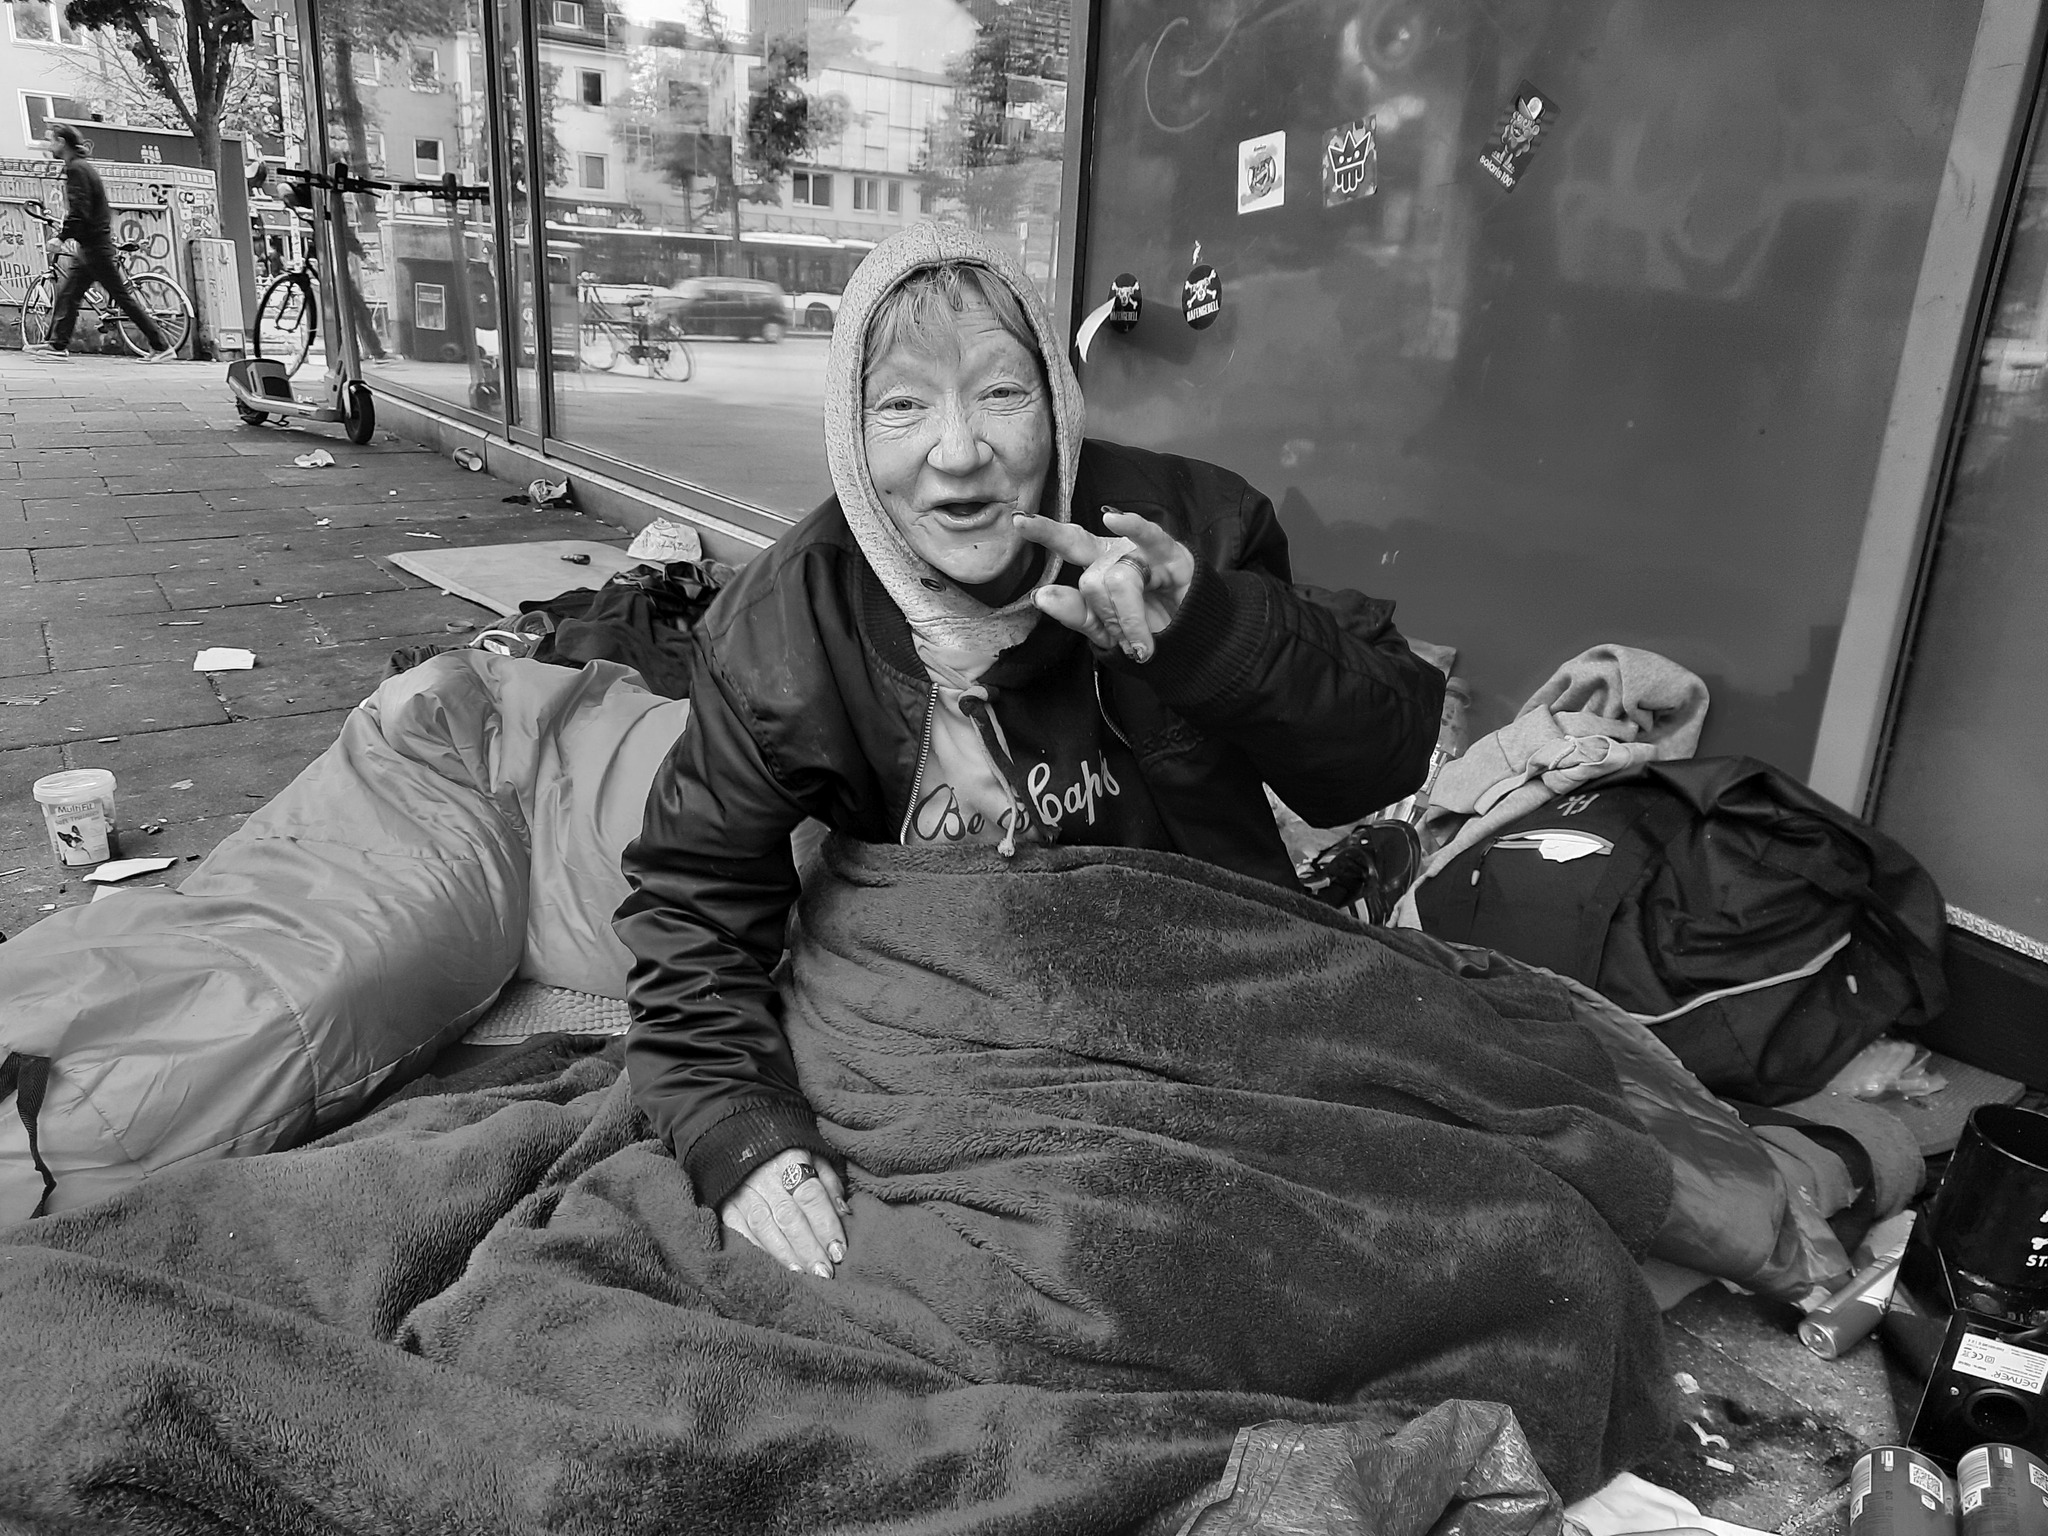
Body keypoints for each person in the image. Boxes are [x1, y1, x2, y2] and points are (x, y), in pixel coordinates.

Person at [614, 221, 1446, 1284]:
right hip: (959, 1036)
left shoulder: (1188, 528)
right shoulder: (784, 629)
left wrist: (1202, 629)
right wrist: (738, 1137)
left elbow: (1379, 754)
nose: (957, 455)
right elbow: (691, 909)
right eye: (901, 406)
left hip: (1210, 1007)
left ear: (1057, 399)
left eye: (1001, 394)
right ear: (848, 438)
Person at [23, 124, 177, 363]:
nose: (48, 145)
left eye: (51, 140)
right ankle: (57, 345)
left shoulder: (76, 169)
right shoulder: (81, 167)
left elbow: (80, 208)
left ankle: (161, 345)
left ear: (62, 142)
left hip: (95, 246)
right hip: (92, 245)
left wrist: (61, 237)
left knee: (119, 297)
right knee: (69, 294)